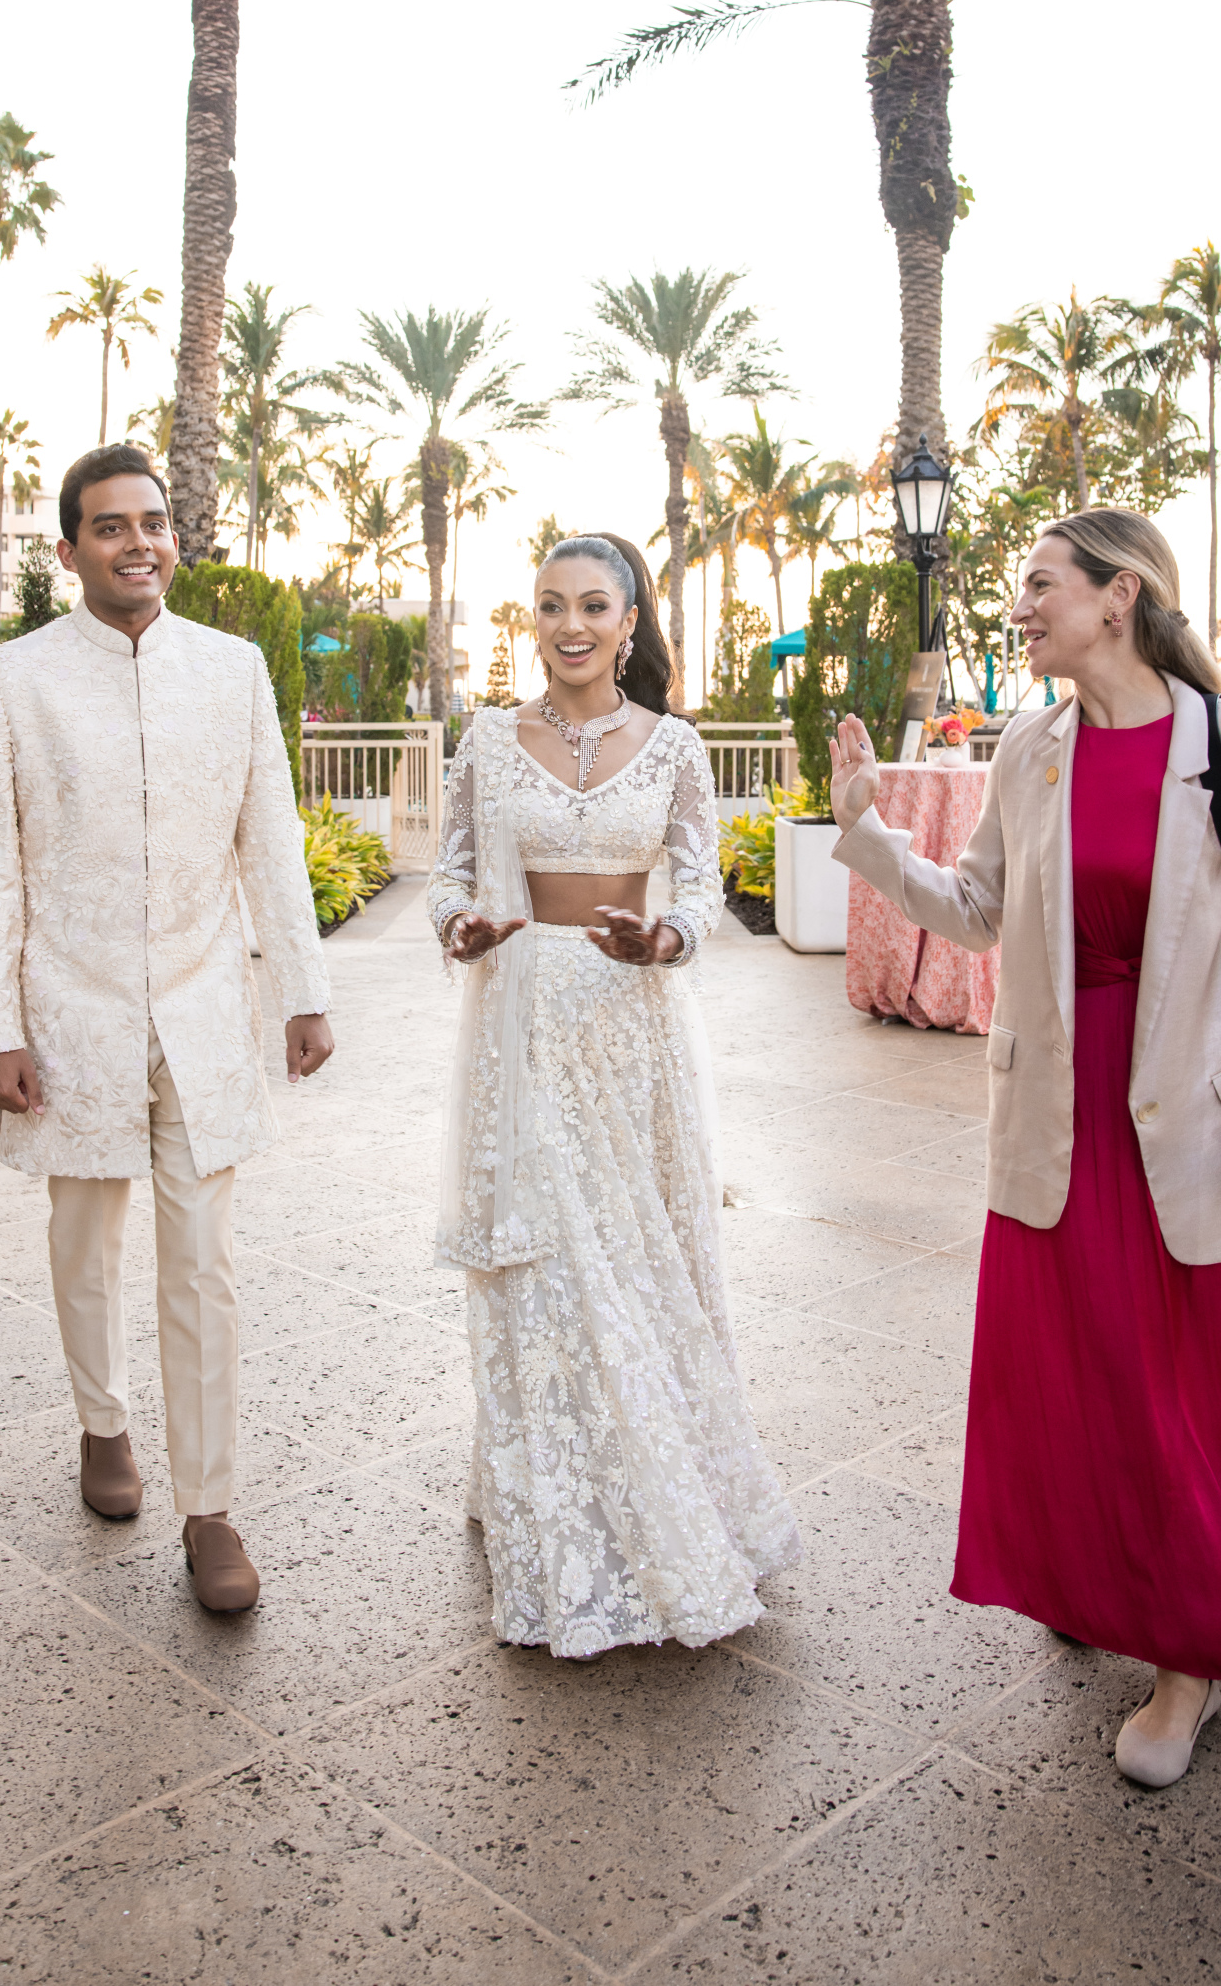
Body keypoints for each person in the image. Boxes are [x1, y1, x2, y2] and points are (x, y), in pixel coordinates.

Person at [828, 507, 1221, 1786]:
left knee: (1187, 1388)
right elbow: (978, 908)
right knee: (1084, 1372)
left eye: (1039, 582)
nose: (1022, 605)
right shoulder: (1031, 746)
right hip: (1061, 1115)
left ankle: (1191, 1661)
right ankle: (1105, 1576)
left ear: (1119, 596)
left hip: (1199, 1118)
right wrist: (867, 826)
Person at [0, 444, 334, 1612]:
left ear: (176, 538)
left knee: (204, 1262)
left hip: (204, 997)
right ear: (69, 550)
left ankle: (209, 1506)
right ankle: (102, 1422)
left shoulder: (234, 669)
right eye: (110, 527)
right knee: (85, 1233)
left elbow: (269, 835)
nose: (138, 543)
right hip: (69, 1003)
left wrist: (302, 987)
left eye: (154, 523)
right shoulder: (13, 680)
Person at [426, 532, 800, 1656]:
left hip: (632, 1035)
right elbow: (447, 871)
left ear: (631, 620)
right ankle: (548, 1503)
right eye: (549, 605)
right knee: (545, 1266)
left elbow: (701, 879)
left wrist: (670, 935)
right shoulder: (487, 740)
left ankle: (671, 1498)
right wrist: (466, 923)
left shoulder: (676, 746)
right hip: (522, 1027)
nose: (571, 625)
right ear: (529, 620)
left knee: (641, 1262)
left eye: (594, 604)